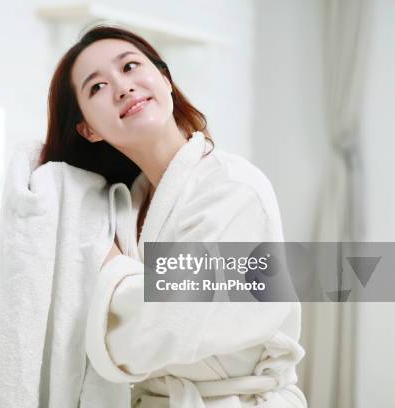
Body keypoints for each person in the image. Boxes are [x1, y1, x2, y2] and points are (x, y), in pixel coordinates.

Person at [39, 25, 306, 408]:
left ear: (164, 79)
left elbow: (170, 322)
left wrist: (107, 264)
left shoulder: (233, 188)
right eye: (96, 87)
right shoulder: (119, 209)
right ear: (89, 130)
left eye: (130, 66)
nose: (122, 87)